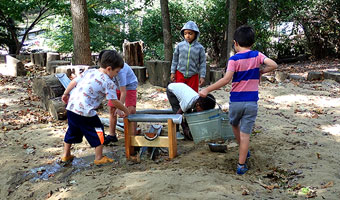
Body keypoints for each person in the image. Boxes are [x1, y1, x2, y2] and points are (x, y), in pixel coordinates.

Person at [199, 25, 278, 175]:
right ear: (252, 43)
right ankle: (241, 165)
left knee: (234, 123)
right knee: (246, 134)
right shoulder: (257, 55)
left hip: (235, 102)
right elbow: (274, 65)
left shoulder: (233, 59)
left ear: (235, 43)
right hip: (251, 103)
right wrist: (261, 70)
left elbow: (227, 79)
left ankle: (243, 150)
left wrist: (207, 89)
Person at [61, 50, 129, 165]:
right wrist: (125, 109)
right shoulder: (108, 82)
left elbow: (74, 82)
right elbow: (113, 100)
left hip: (72, 107)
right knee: (99, 131)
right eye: (116, 72)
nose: (117, 74)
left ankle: (65, 155)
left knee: (72, 130)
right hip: (85, 112)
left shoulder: (90, 71)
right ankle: (99, 157)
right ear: (109, 69)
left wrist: (66, 94)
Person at [104, 56, 138, 145]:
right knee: (112, 108)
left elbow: (124, 92)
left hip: (129, 85)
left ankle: (133, 136)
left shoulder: (120, 72)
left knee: (131, 110)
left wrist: (120, 108)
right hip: (115, 86)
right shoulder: (105, 71)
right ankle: (112, 135)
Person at [170, 21, 206, 92]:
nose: (187, 36)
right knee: (180, 93)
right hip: (180, 74)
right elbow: (175, 60)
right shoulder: (180, 46)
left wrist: (202, 76)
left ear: (195, 34)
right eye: (185, 33)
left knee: (192, 94)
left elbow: (202, 63)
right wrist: (172, 72)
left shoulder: (200, 48)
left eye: (190, 33)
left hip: (193, 76)